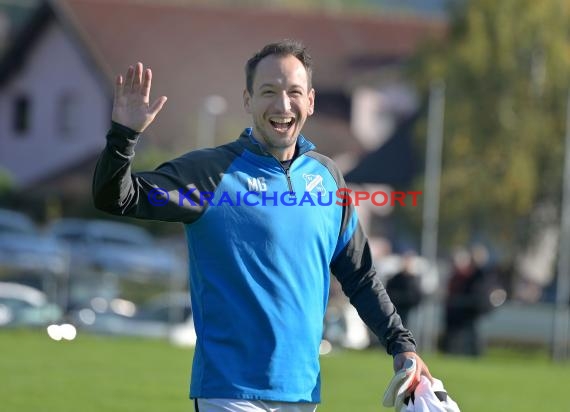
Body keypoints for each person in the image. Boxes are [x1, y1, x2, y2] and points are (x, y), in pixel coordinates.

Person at [92, 39, 432, 412]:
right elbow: (118, 198)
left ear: (311, 101)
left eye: (294, 92)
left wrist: (402, 345)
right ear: (248, 99)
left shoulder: (329, 178)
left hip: (302, 393)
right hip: (229, 392)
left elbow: (360, 276)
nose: (282, 105)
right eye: (269, 91)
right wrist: (124, 136)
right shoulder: (209, 174)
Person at [385, 252, 423, 326]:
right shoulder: (395, 279)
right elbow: (389, 294)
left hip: (411, 311)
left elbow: (418, 296)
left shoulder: (414, 279)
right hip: (397, 310)